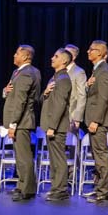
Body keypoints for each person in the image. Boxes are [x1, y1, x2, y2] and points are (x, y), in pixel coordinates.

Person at [3, 45, 41, 201]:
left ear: (25, 56)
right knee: (20, 156)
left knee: (24, 156)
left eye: (17, 53)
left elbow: (21, 101)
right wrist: (5, 91)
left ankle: (27, 189)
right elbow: (12, 94)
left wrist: (13, 124)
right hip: (20, 121)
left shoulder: (27, 73)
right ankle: (21, 185)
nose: (14, 55)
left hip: (21, 121)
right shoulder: (18, 72)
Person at [83, 40, 108, 203]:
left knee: (101, 156)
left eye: (92, 49)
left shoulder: (104, 71)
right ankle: (100, 188)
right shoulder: (97, 71)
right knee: (98, 156)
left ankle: (103, 191)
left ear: (102, 53)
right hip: (94, 119)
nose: (88, 51)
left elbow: (103, 98)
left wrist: (95, 120)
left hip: (99, 121)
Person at [40, 48, 73, 201]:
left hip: (57, 127)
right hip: (50, 125)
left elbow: (60, 104)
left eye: (56, 56)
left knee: (58, 158)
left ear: (64, 61)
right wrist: (45, 92)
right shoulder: (55, 78)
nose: (52, 58)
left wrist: (52, 126)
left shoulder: (64, 79)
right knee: (53, 158)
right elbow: (44, 100)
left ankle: (61, 190)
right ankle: (56, 187)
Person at [64, 44, 86, 134]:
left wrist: (77, 118)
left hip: (70, 116)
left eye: (65, 53)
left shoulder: (79, 72)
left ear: (73, 56)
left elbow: (81, 95)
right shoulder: (60, 71)